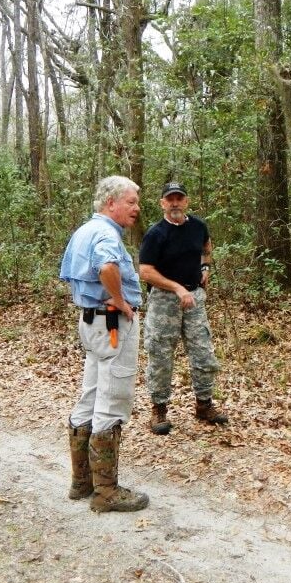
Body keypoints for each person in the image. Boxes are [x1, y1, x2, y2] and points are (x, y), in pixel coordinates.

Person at [58, 175, 148, 513]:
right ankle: (106, 492)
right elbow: (107, 267)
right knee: (112, 400)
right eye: (131, 202)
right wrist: (121, 301)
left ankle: (82, 482)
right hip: (112, 325)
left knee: (91, 395)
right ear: (111, 203)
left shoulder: (84, 231)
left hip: (91, 322)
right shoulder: (106, 234)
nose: (136, 208)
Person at [139, 181, 226, 435]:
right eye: (170, 199)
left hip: (195, 298)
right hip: (164, 300)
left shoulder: (198, 226)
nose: (175, 203)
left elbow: (206, 247)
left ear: (186, 201)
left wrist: (206, 267)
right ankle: (159, 409)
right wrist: (177, 288)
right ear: (162, 203)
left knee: (203, 351)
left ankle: (204, 404)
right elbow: (145, 271)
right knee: (161, 354)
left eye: (179, 198)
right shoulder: (156, 234)